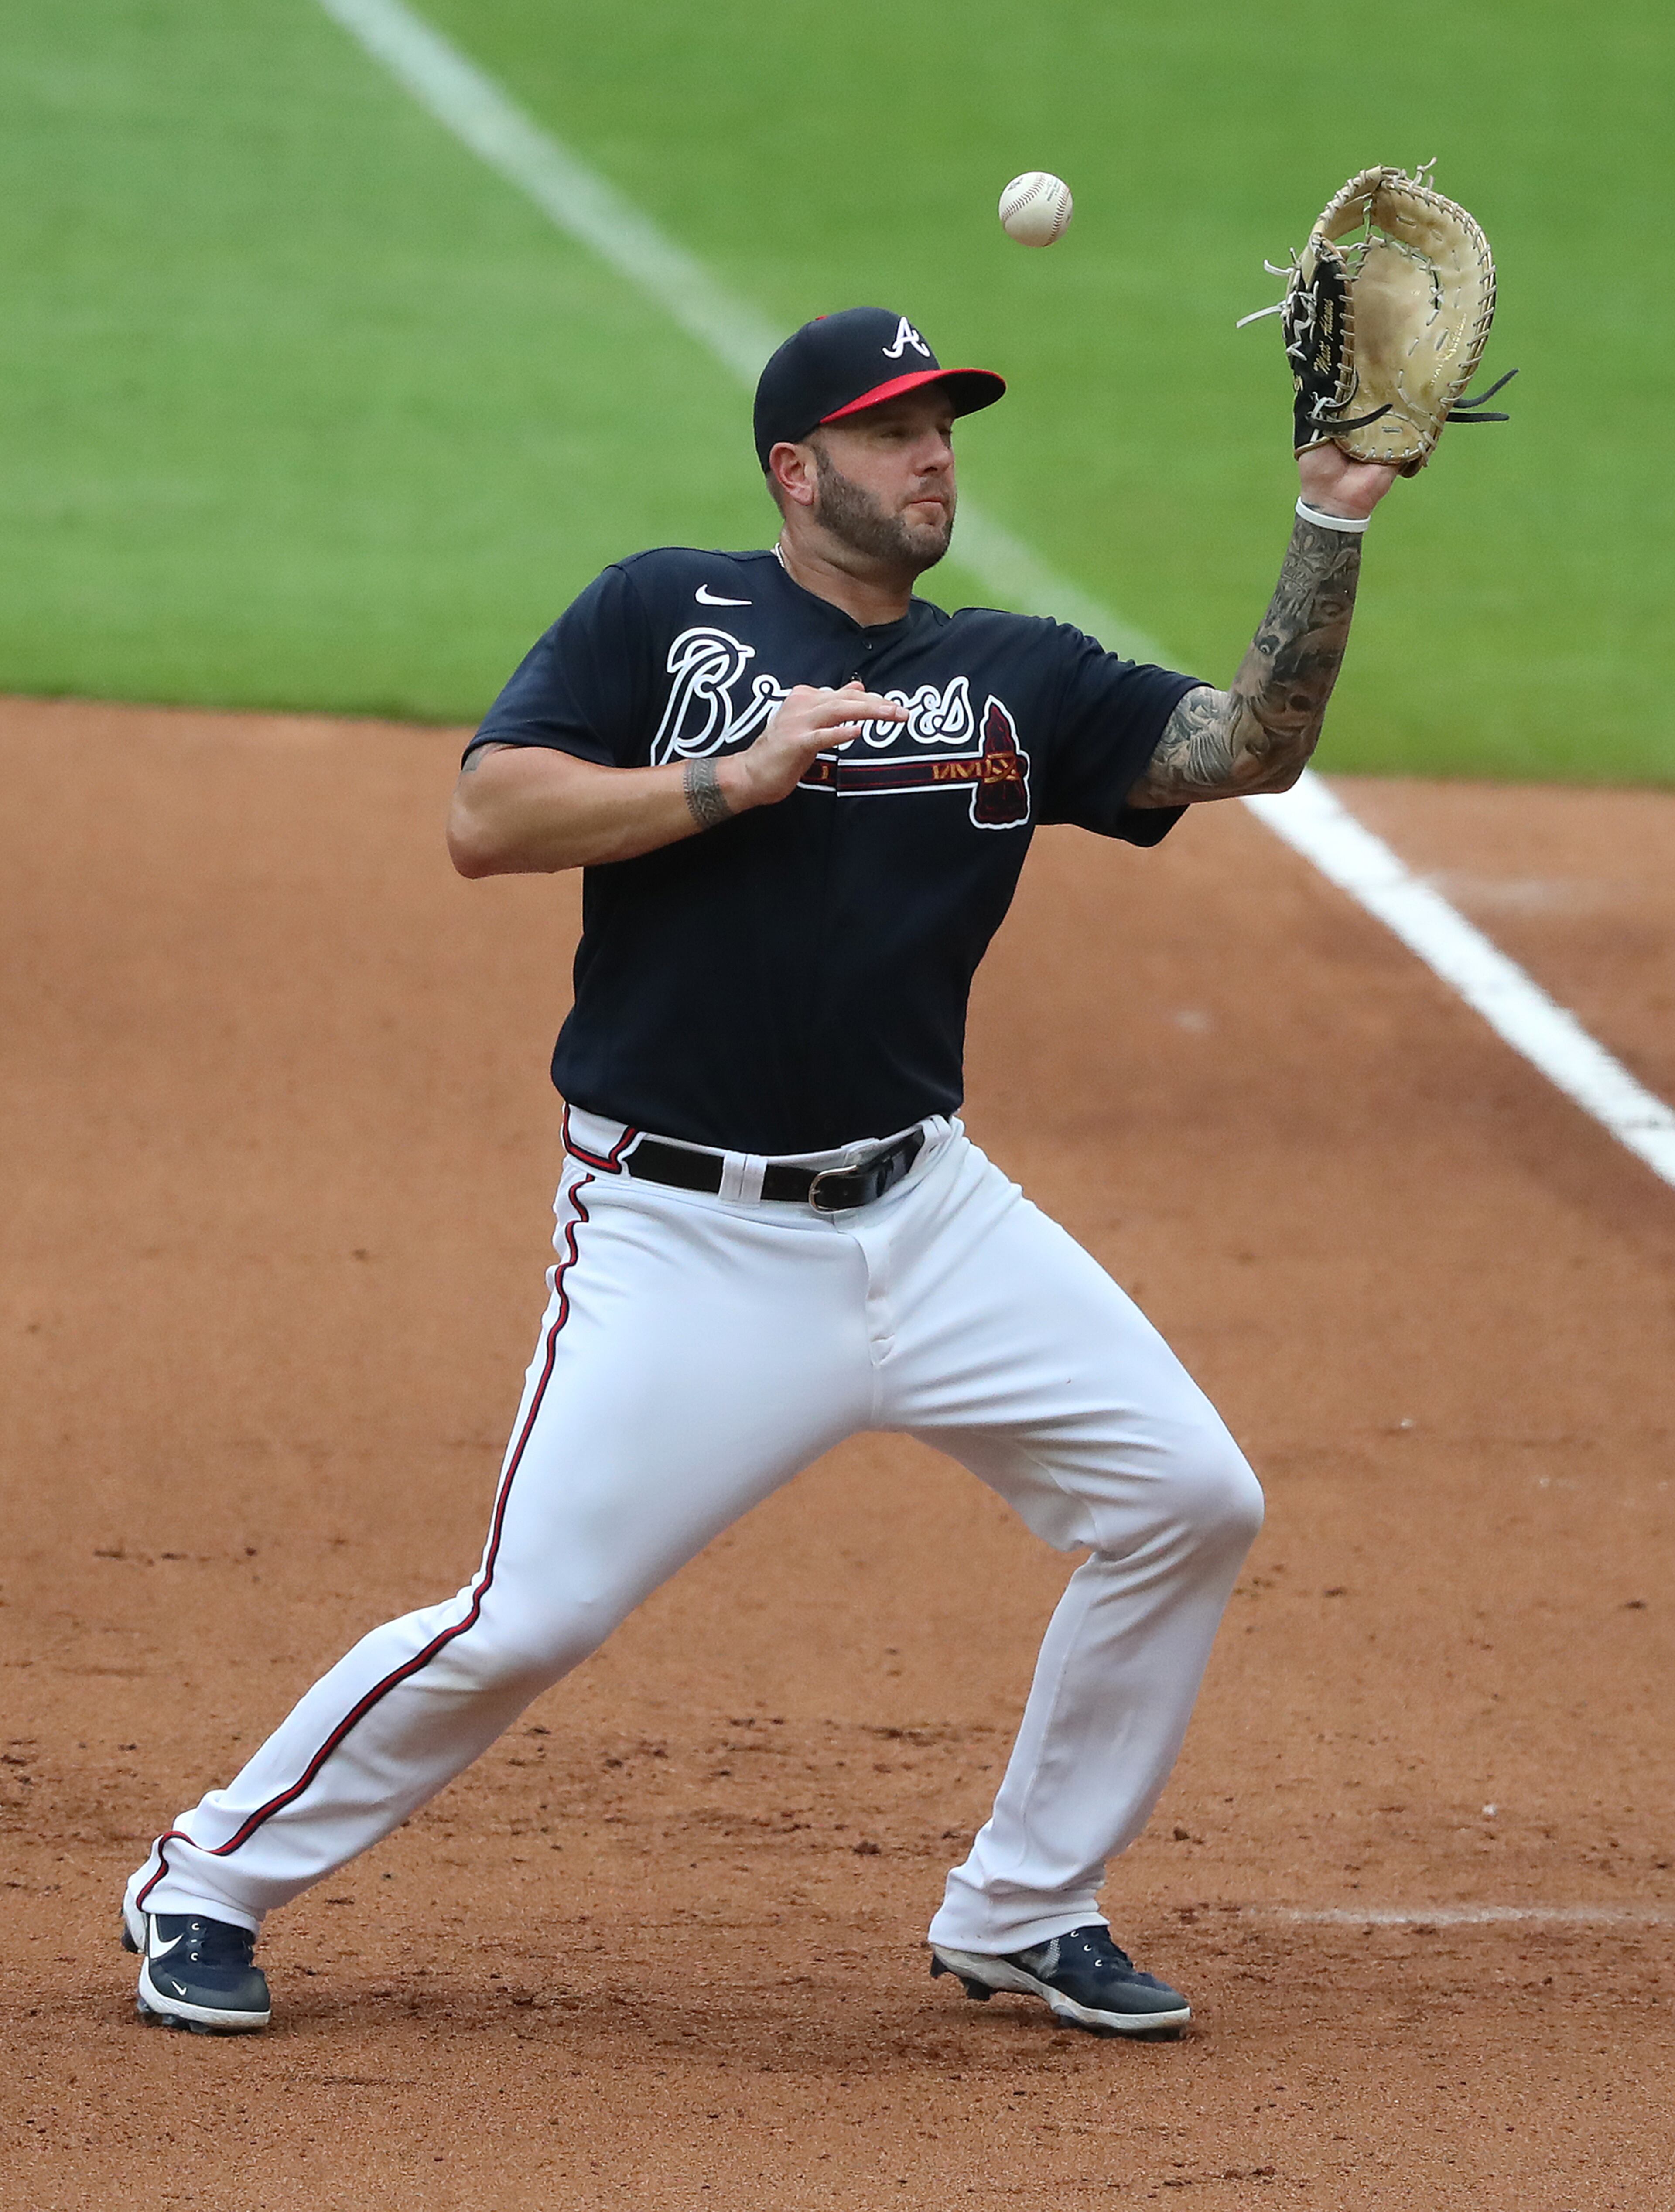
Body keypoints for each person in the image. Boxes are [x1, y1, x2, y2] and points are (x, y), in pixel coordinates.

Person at [124, 305, 1395, 2039]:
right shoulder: (665, 612)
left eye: (944, 429)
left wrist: (1331, 519)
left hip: (933, 1215)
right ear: (797, 470)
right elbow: (489, 819)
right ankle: (206, 1874)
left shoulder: (1016, 672)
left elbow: (1248, 746)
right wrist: (732, 778)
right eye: (892, 432)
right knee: (527, 1616)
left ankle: (1026, 1902)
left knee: (1190, 1500)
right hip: (682, 1232)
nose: (933, 457)